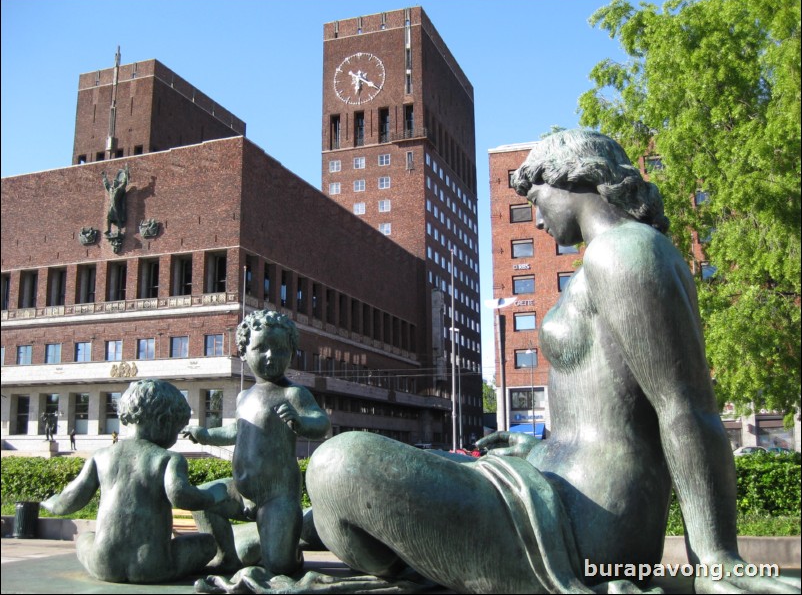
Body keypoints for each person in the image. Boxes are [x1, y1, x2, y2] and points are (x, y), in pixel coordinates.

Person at [305, 130, 800, 594]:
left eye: (537, 200)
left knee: (338, 462)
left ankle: (418, 566)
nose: (538, 221)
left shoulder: (626, 253)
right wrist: (534, 447)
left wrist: (714, 558)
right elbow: (607, 408)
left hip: (581, 527)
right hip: (550, 487)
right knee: (342, 498)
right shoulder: (613, 256)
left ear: (572, 179)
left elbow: (685, 408)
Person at [183, 310, 330, 576]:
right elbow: (236, 431)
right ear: (243, 351)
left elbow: (321, 423)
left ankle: (291, 552)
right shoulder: (243, 397)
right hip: (240, 494)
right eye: (261, 348)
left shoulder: (293, 393)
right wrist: (204, 434)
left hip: (278, 497)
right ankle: (226, 556)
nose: (271, 356)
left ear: (291, 353)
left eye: (280, 349)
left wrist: (300, 421)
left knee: (279, 568)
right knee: (203, 498)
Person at [41, 379, 226, 583]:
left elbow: (69, 500)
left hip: (102, 565)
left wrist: (51, 502)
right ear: (163, 421)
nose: (174, 438)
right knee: (208, 543)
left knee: (85, 539)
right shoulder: (168, 458)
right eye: (176, 429)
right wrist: (214, 494)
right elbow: (181, 496)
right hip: (154, 566)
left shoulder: (100, 456)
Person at [102, 164, 129, 236]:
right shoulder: (110, 190)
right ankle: (108, 229)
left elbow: (125, 182)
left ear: (117, 184)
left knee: (118, 218)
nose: (113, 183)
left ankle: (119, 230)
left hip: (117, 206)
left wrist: (126, 172)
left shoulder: (119, 189)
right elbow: (106, 185)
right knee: (108, 217)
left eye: (115, 182)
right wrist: (104, 177)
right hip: (111, 206)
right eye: (113, 182)